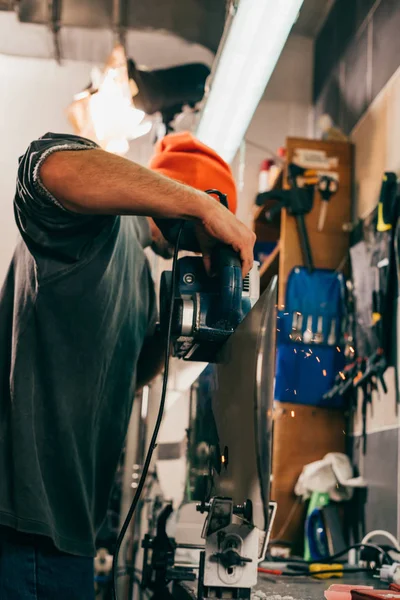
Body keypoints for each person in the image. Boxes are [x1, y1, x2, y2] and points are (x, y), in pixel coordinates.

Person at [0, 130, 255, 599]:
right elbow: (48, 167)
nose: (204, 252)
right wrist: (202, 207)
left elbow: (122, 380)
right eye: (210, 233)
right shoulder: (99, 227)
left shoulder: (138, 276)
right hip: (25, 524)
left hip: (67, 527)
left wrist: (171, 330)